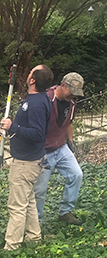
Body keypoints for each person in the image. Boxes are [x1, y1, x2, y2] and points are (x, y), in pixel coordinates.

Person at [0, 64, 54, 250]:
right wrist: (13, 126)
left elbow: (38, 134)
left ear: (32, 80)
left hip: (26, 162)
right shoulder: (38, 99)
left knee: (17, 206)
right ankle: (34, 237)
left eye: (31, 71)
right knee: (28, 200)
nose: (28, 72)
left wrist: (12, 127)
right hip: (31, 160)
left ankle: (12, 246)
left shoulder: (37, 103)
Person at [34, 73, 84, 225]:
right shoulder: (46, 99)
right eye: (72, 93)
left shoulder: (72, 103)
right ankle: (36, 221)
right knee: (40, 190)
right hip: (44, 151)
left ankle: (65, 212)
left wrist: (70, 141)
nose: (73, 97)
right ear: (63, 85)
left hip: (61, 147)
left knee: (76, 175)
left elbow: (69, 123)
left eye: (76, 94)